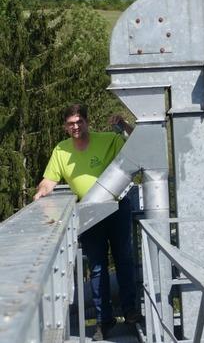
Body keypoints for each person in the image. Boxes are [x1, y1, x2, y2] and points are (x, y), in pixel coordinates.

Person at [34, 104, 138, 341]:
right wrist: (41, 192)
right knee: (98, 266)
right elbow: (49, 180)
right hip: (89, 212)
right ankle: (104, 320)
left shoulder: (108, 140)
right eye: (71, 123)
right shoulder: (61, 151)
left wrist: (122, 125)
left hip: (117, 207)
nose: (76, 126)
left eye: (79, 121)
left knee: (124, 258)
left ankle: (130, 311)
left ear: (87, 122)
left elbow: (138, 144)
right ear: (65, 126)